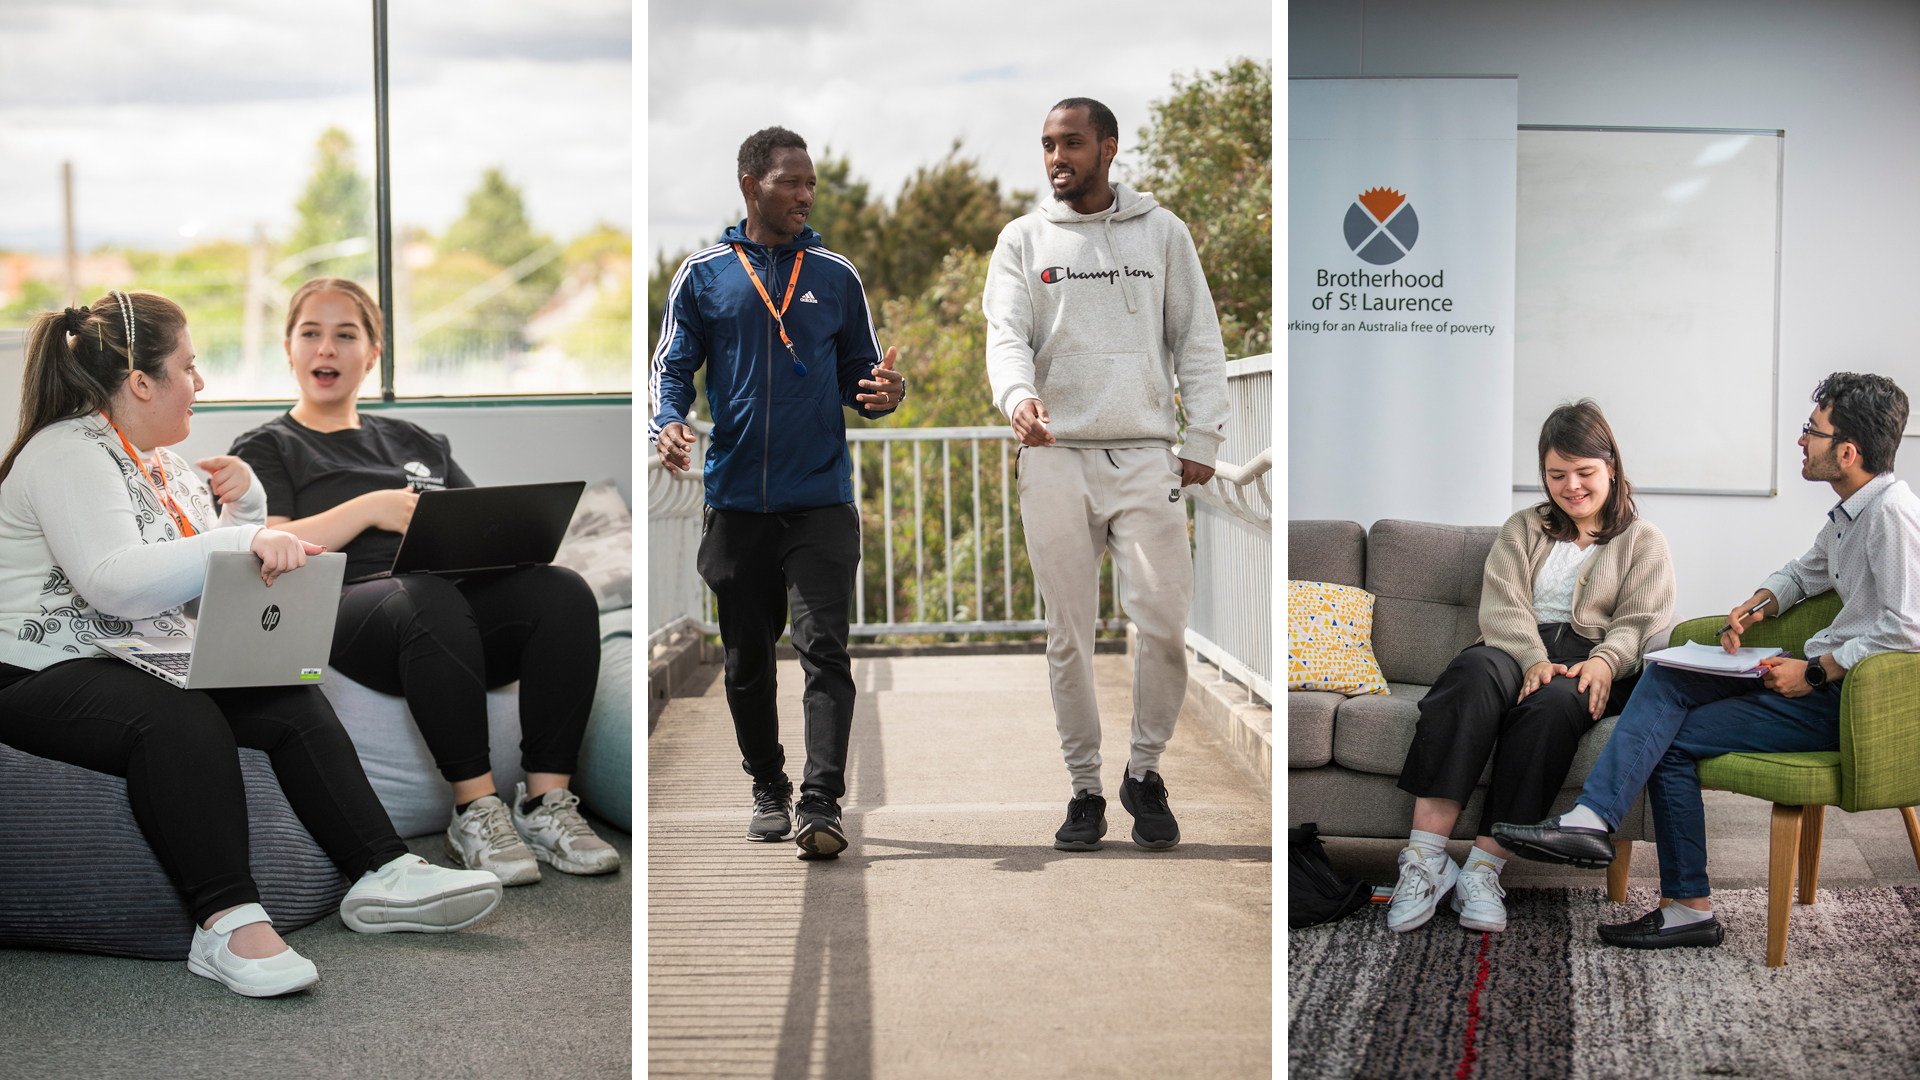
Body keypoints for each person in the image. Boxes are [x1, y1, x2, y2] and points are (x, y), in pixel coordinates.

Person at [0, 290, 504, 998]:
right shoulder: (68, 451)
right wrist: (240, 536)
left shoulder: (158, 463)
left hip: (139, 653)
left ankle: (380, 871)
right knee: (178, 719)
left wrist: (247, 510)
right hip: (39, 668)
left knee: (287, 696)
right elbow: (113, 582)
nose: (200, 383)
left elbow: (198, 584)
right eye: (189, 366)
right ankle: (226, 921)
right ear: (143, 382)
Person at [1496, 373, 1920, 950]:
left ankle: (1674, 895)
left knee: (1666, 738)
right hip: (1817, 682)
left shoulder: (1892, 515)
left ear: (1847, 451)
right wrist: (1760, 602)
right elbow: (1805, 572)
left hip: (1844, 702)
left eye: (1810, 431)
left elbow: (1906, 628)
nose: (1800, 441)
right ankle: (1606, 833)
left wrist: (1818, 670)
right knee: (1668, 672)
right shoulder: (1851, 512)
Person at [228, 278, 620, 887]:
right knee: (424, 596)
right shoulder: (269, 445)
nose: (325, 349)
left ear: (373, 353)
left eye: (344, 335)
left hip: (445, 608)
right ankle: (474, 809)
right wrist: (369, 508)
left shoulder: (417, 441)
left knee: (562, 589)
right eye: (310, 334)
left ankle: (545, 804)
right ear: (288, 348)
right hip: (354, 611)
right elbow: (271, 549)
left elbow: (481, 521)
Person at [649, 126, 904, 859]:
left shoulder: (835, 273)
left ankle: (821, 802)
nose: (806, 196)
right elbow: (670, 369)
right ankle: (769, 786)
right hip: (735, 503)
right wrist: (668, 422)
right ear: (750, 183)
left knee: (826, 652)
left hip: (821, 500)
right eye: (792, 182)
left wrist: (887, 392)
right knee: (747, 660)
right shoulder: (702, 274)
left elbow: (865, 378)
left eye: (812, 184)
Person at [982, 97, 1230, 852]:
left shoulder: (1162, 232)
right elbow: (1005, 338)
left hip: (1146, 456)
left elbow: (1199, 341)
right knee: (1070, 636)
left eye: (1073, 144)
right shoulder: (1022, 239)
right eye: (1048, 145)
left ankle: (1144, 772)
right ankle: (1085, 788)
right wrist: (1019, 399)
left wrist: (1205, 437)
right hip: (1054, 456)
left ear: (1109, 148)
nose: (1058, 157)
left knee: (1161, 624)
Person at [1388, 401, 1675, 934]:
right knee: (1469, 679)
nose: (1572, 487)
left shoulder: (1644, 540)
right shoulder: (1524, 527)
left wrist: (1607, 663)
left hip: (1591, 659)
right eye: (1556, 475)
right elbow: (1502, 605)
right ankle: (1426, 862)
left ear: (1611, 466)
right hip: (1513, 646)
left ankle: (1481, 870)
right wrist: (1532, 659)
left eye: (1585, 472)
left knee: (1556, 705)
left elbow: (1640, 620)